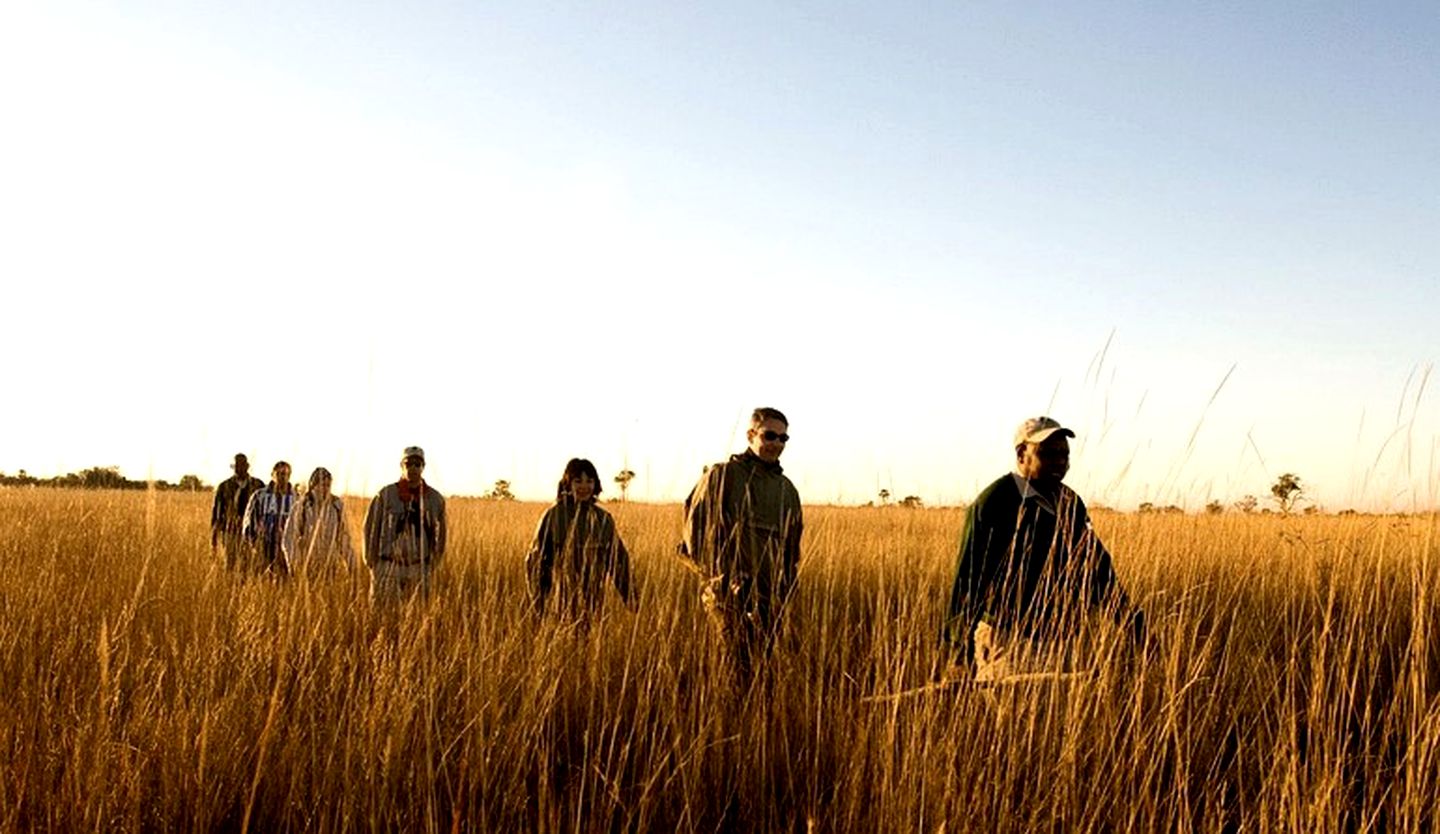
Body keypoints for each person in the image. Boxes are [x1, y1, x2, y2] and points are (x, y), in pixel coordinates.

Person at [943, 417, 1144, 681]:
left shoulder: (1069, 502)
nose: (1060, 462)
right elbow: (968, 582)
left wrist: (1133, 623)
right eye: (1048, 453)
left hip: (1062, 639)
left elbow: (1097, 569)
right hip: (1009, 640)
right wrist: (958, 654)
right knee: (1014, 719)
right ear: (1021, 455)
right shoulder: (996, 502)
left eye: (1064, 455)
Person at [679, 407, 803, 685]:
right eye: (770, 435)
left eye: (784, 438)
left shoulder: (787, 490)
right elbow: (694, 535)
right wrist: (723, 578)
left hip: (769, 599)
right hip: (728, 597)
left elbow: (790, 552)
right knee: (735, 669)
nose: (777, 444)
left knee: (765, 674)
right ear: (751, 435)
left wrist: (786, 594)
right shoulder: (722, 476)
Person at [525, 458, 635, 621]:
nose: (584, 486)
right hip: (560, 602)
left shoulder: (603, 519)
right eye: (578, 481)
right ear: (568, 484)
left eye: (589, 481)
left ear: (595, 484)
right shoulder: (554, 516)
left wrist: (630, 597)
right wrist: (540, 602)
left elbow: (618, 561)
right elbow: (536, 560)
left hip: (594, 602)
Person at [364, 446, 447, 600]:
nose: (413, 468)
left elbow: (441, 533)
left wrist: (434, 562)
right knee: (383, 616)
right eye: (409, 464)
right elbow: (370, 527)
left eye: (418, 464)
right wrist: (371, 560)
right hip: (387, 565)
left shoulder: (435, 499)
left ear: (423, 467)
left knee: (418, 617)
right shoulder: (386, 494)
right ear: (401, 466)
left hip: (419, 567)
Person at [282, 467, 357, 578]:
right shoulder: (302, 506)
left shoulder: (336, 506)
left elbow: (344, 538)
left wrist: (351, 564)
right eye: (322, 485)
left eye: (328, 485)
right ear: (314, 485)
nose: (325, 489)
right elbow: (289, 538)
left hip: (330, 567)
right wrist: (294, 565)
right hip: (306, 568)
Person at [242, 461, 298, 575]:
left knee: (286, 580)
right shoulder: (260, 496)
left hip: (288, 547)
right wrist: (253, 542)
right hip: (264, 546)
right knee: (262, 580)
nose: (283, 477)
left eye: (286, 474)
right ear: (272, 475)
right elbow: (249, 520)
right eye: (279, 474)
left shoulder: (296, 498)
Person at [211, 453, 265, 569]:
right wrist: (214, 538)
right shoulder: (224, 487)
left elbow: (265, 511)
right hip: (230, 533)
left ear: (247, 466)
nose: (239, 468)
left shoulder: (258, 485)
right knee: (231, 566)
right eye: (236, 465)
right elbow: (217, 513)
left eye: (242, 465)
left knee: (251, 566)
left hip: (252, 534)